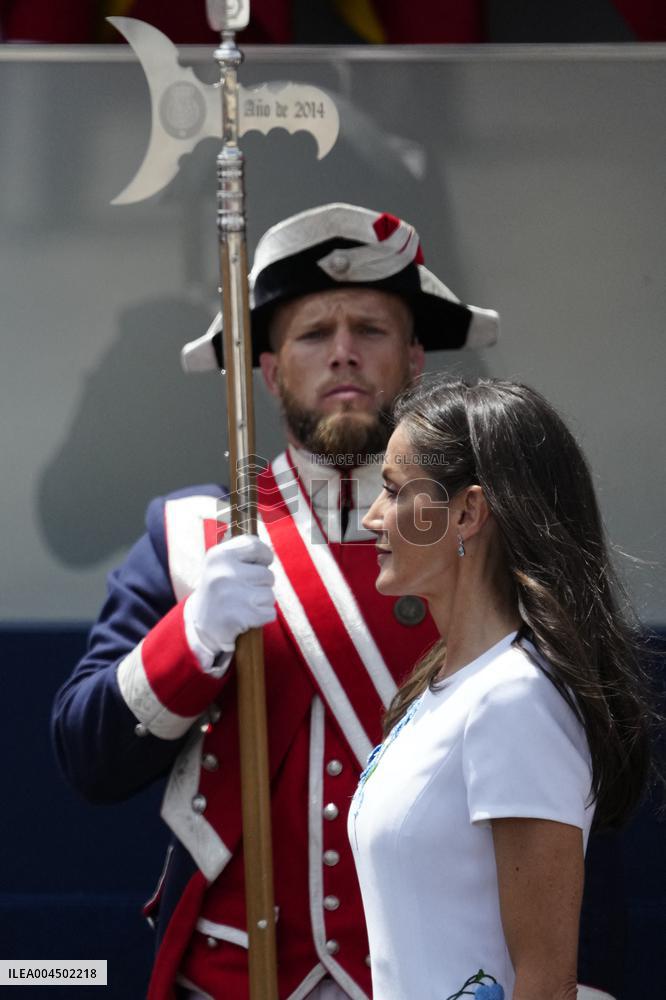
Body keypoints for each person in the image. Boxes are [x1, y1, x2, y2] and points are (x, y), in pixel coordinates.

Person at [51, 203, 499, 1000]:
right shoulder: (190, 536)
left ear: (416, 358)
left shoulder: (486, 534)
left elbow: (565, 791)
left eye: (371, 328)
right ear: (267, 369)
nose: (344, 353)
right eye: (312, 333)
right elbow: (87, 757)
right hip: (234, 976)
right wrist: (192, 637)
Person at [349, 376, 657, 1000]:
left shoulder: (514, 698)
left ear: (466, 512)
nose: (371, 516)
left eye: (393, 491)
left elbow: (544, 982)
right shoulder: (445, 688)